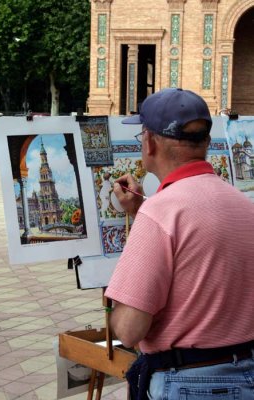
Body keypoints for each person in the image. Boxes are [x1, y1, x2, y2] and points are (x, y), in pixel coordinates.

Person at [105, 88, 254, 399]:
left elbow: (130, 330)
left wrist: (113, 307)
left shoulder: (161, 212)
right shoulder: (244, 205)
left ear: (148, 142)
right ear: (206, 143)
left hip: (188, 382)